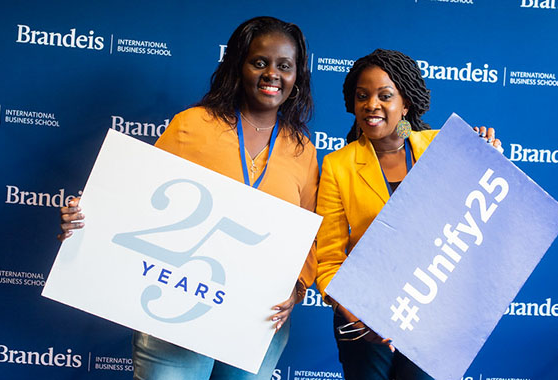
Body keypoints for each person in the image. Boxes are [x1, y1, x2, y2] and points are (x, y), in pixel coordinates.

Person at [58, 16, 319, 380]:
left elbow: (306, 235)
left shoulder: (302, 150)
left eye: (284, 66)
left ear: (297, 77)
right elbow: (133, 201)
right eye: (259, 62)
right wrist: (86, 220)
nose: (271, 74)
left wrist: (297, 286)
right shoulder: (191, 125)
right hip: (174, 310)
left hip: (257, 319)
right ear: (237, 65)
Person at [314, 49, 503, 380]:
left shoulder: (443, 147)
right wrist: (355, 314)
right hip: (363, 315)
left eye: (385, 96)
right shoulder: (338, 166)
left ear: (406, 104)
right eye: (362, 96)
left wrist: (490, 159)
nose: (371, 104)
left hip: (432, 313)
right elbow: (328, 260)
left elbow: (482, 210)